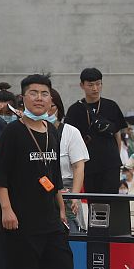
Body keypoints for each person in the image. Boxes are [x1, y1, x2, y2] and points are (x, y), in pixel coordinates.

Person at [0, 74, 72, 269]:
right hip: (20, 219)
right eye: (33, 93)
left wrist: (61, 208)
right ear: (23, 99)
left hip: (49, 217)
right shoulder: (13, 133)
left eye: (44, 94)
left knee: (62, 268)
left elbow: (52, 179)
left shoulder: (51, 130)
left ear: (51, 100)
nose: (39, 98)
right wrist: (6, 209)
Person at [65, 68, 128, 195]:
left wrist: (116, 155)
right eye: (90, 85)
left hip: (110, 163)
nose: (95, 88)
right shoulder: (75, 110)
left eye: (98, 84)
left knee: (111, 200)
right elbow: (69, 138)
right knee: (93, 201)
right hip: (88, 164)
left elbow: (117, 134)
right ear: (82, 85)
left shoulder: (111, 106)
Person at [48, 89, 88, 231]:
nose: (47, 111)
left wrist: (75, 196)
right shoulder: (27, 131)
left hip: (67, 191)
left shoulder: (71, 132)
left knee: (71, 233)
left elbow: (79, 166)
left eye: (51, 106)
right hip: (41, 193)